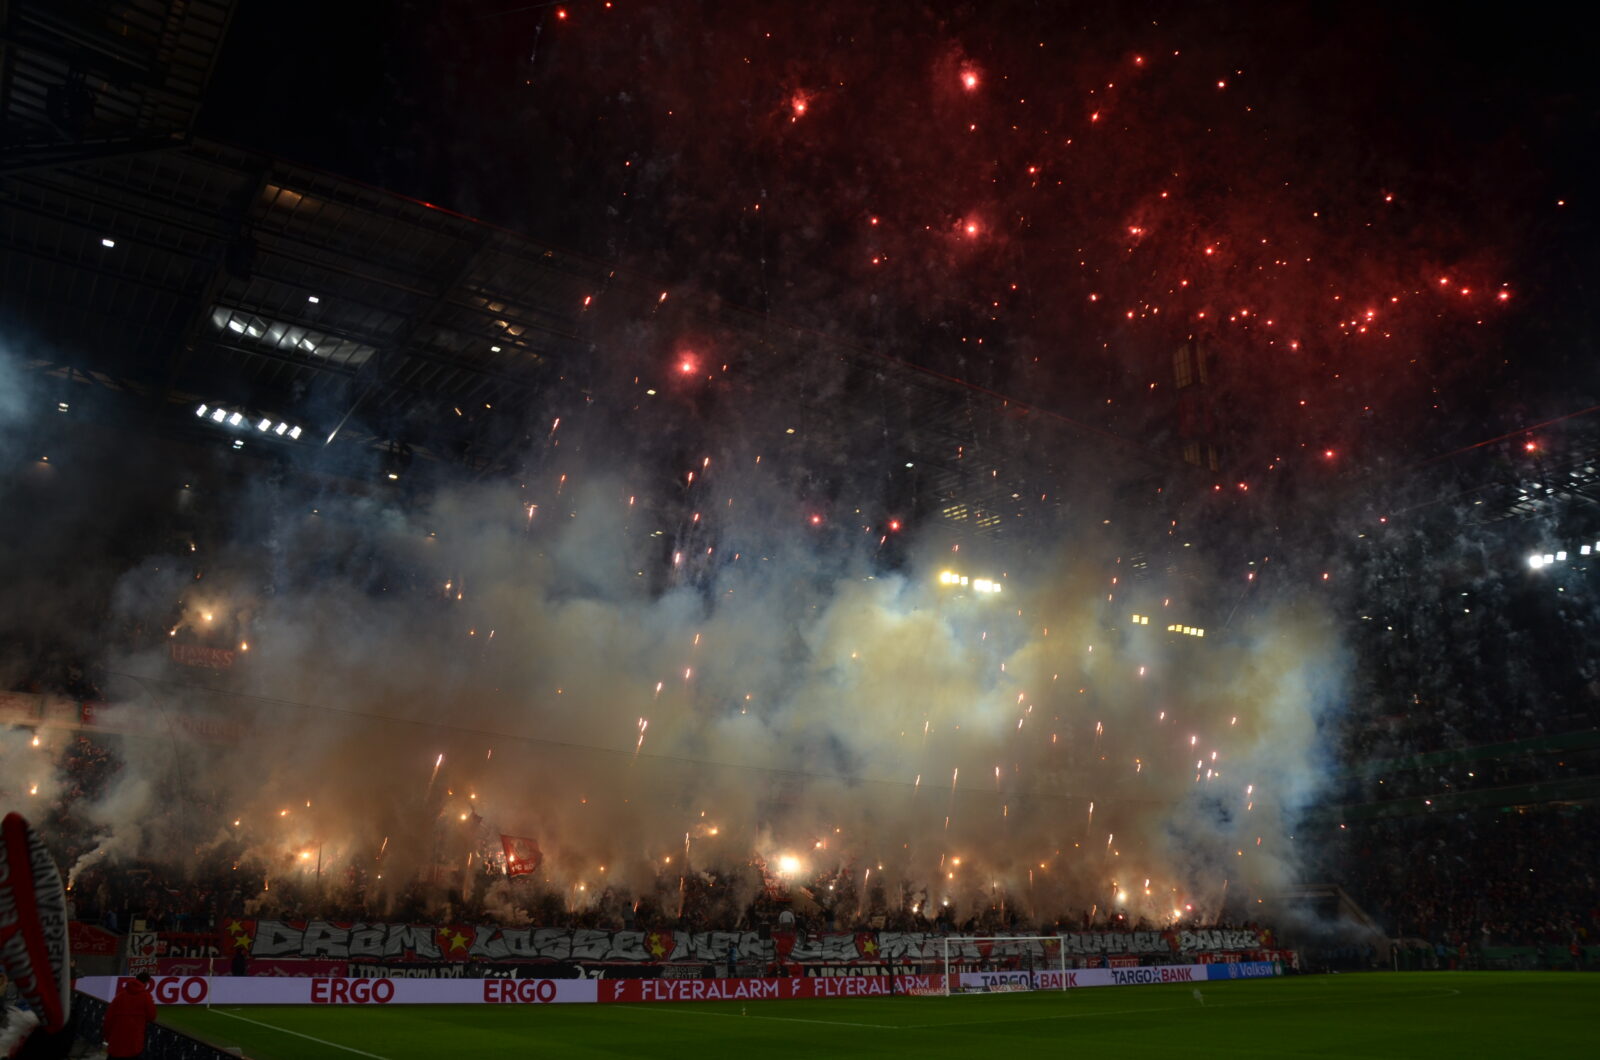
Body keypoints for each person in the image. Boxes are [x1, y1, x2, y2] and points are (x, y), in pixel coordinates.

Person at [103, 973, 157, 1060]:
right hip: (134, 1040)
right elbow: (151, 1016)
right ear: (146, 983)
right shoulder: (146, 997)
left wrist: (107, 1036)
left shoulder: (120, 996)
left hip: (116, 1039)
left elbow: (108, 1018)